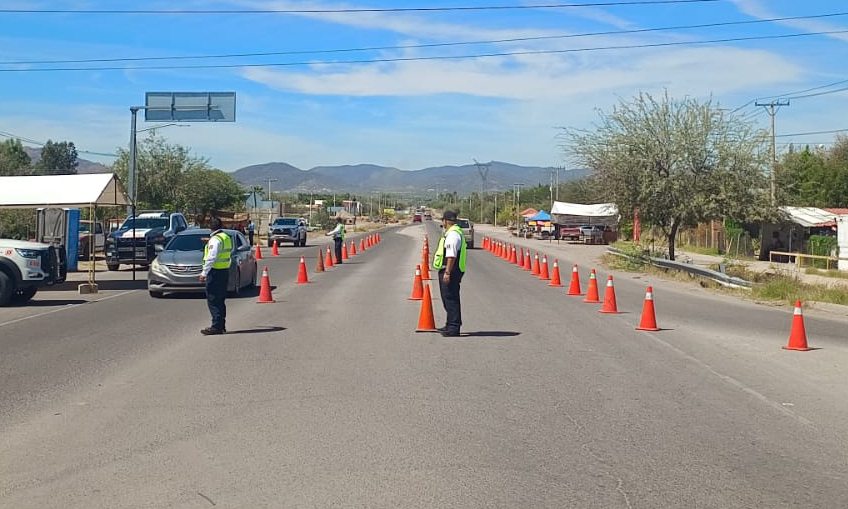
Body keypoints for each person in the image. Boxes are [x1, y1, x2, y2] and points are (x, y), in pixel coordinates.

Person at [433, 210, 467, 337]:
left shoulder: (452, 235)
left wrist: (447, 272)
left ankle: (453, 327)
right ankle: (450, 324)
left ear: (445, 221)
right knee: (448, 298)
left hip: (451, 270)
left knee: (450, 298)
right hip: (453, 269)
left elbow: (451, 256)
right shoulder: (454, 232)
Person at [199, 218, 232, 335]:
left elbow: (211, 257)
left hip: (215, 272)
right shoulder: (226, 237)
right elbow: (221, 248)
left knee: (213, 299)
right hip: (224, 271)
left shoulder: (215, 240)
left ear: (210, 227)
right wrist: (210, 241)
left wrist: (204, 273)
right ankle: (221, 325)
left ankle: (216, 327)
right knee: (220, 299)